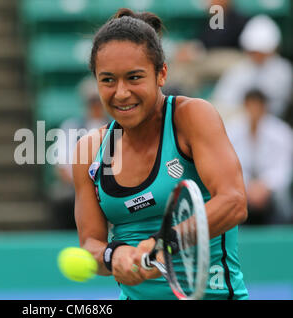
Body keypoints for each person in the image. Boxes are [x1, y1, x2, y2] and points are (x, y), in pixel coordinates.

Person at [72, 8, 248, 300]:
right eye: (107, 80)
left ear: (161, 73)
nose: (121, 93)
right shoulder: (89, 150)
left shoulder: (191, 117)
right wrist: (114, 256)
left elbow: (234, 202)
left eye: (134, 77)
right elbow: (90, 243)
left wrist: (165, 243)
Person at [48, 76, 109, 229]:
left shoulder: (118, 126)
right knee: (61, 197)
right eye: (92, 101)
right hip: (77, 186)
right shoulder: (70, 126)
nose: (96, 105)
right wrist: (86, 187)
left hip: (111, 186)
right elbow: (61, 165)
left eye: (98, 100)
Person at [226, 89, 292, 225]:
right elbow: (230, 165)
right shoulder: (231, 130)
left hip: (272, 194)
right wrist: (248, 186)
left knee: (282, 203)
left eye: (257, 105)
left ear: (264, 107)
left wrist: (265, 186)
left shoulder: (282, 132)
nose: (254, 110)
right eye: (250, 105)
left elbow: (284, 168)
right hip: (242, 190)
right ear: (245, 106)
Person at [211, 14, 292, 120]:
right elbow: (223, 100)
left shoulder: (284, 72)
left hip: (270, 122)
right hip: (238, 122)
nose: (257, 56)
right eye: (253, 52)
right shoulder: (239, 70)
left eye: (261, 52)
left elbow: (279, 106)